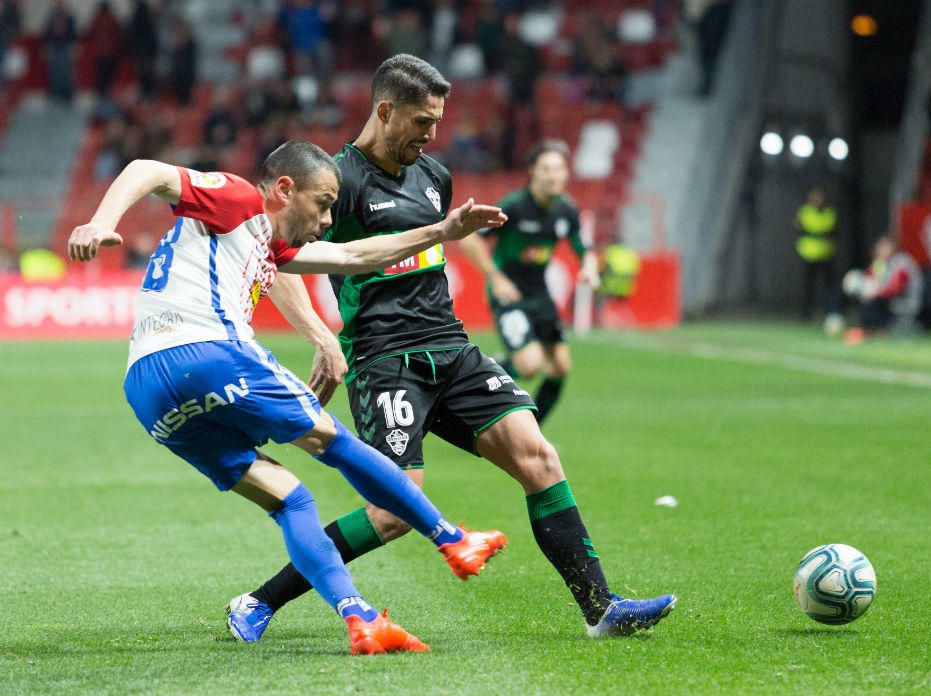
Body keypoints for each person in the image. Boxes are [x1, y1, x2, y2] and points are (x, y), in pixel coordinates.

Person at [227, 54, 676, 642]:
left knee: (540, 459)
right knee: (395, 512)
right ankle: (258, 602)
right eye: (420, 121)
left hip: (451, 347)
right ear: (384, 111)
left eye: (436, 120)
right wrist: (319, 335)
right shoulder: (338, 181)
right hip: (385, 359)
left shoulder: (434, 176)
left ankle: (601, 609)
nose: (431, 134)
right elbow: (276, 254)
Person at [66, 140, 509, 655]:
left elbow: (351, 254)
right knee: (335, 442)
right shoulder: (237, 199)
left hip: (147, 390)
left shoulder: (265, 243)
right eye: (322, 203)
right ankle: (451, 537)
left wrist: (441, 231)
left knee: (290, 498)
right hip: (208, 349)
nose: (326, 219)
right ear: (283, 189)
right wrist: (101, 221)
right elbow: (146, 167)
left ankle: (360, 619)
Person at [460, 139, 599, 425]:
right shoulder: (515, 206)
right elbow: (469, 238)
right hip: (509, 295)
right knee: (531, 365)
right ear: (532, 172)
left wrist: (589, 269)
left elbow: (585, 250)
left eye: (559, 169)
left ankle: (534, 432)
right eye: (547, 168)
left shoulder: (567, 211)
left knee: (560, 366)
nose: (554, 175)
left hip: (540, 296)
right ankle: (477, 376)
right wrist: (496, 278)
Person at [842, 236, 923, 344]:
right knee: (867, 296)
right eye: (880, 247)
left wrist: (875, 292)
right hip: (887, 297)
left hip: (906, 298)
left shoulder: (901, 262)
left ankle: (877, 330)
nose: (881, 250)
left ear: (893, 248)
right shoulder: (880, 263)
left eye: (885, 247)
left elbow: (896, 288)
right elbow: (869, 276)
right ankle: (866, 330)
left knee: (873, 299)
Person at [795, 186, 838, 321]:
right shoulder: (804, 211)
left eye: (819, 196)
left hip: (826, 253)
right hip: (809, 254)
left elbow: (835, 230)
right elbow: (798, 228)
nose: (817, 199)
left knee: (830, 285)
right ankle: (806, 313)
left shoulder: (830, 212)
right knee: (809, 285)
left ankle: (832, 312)